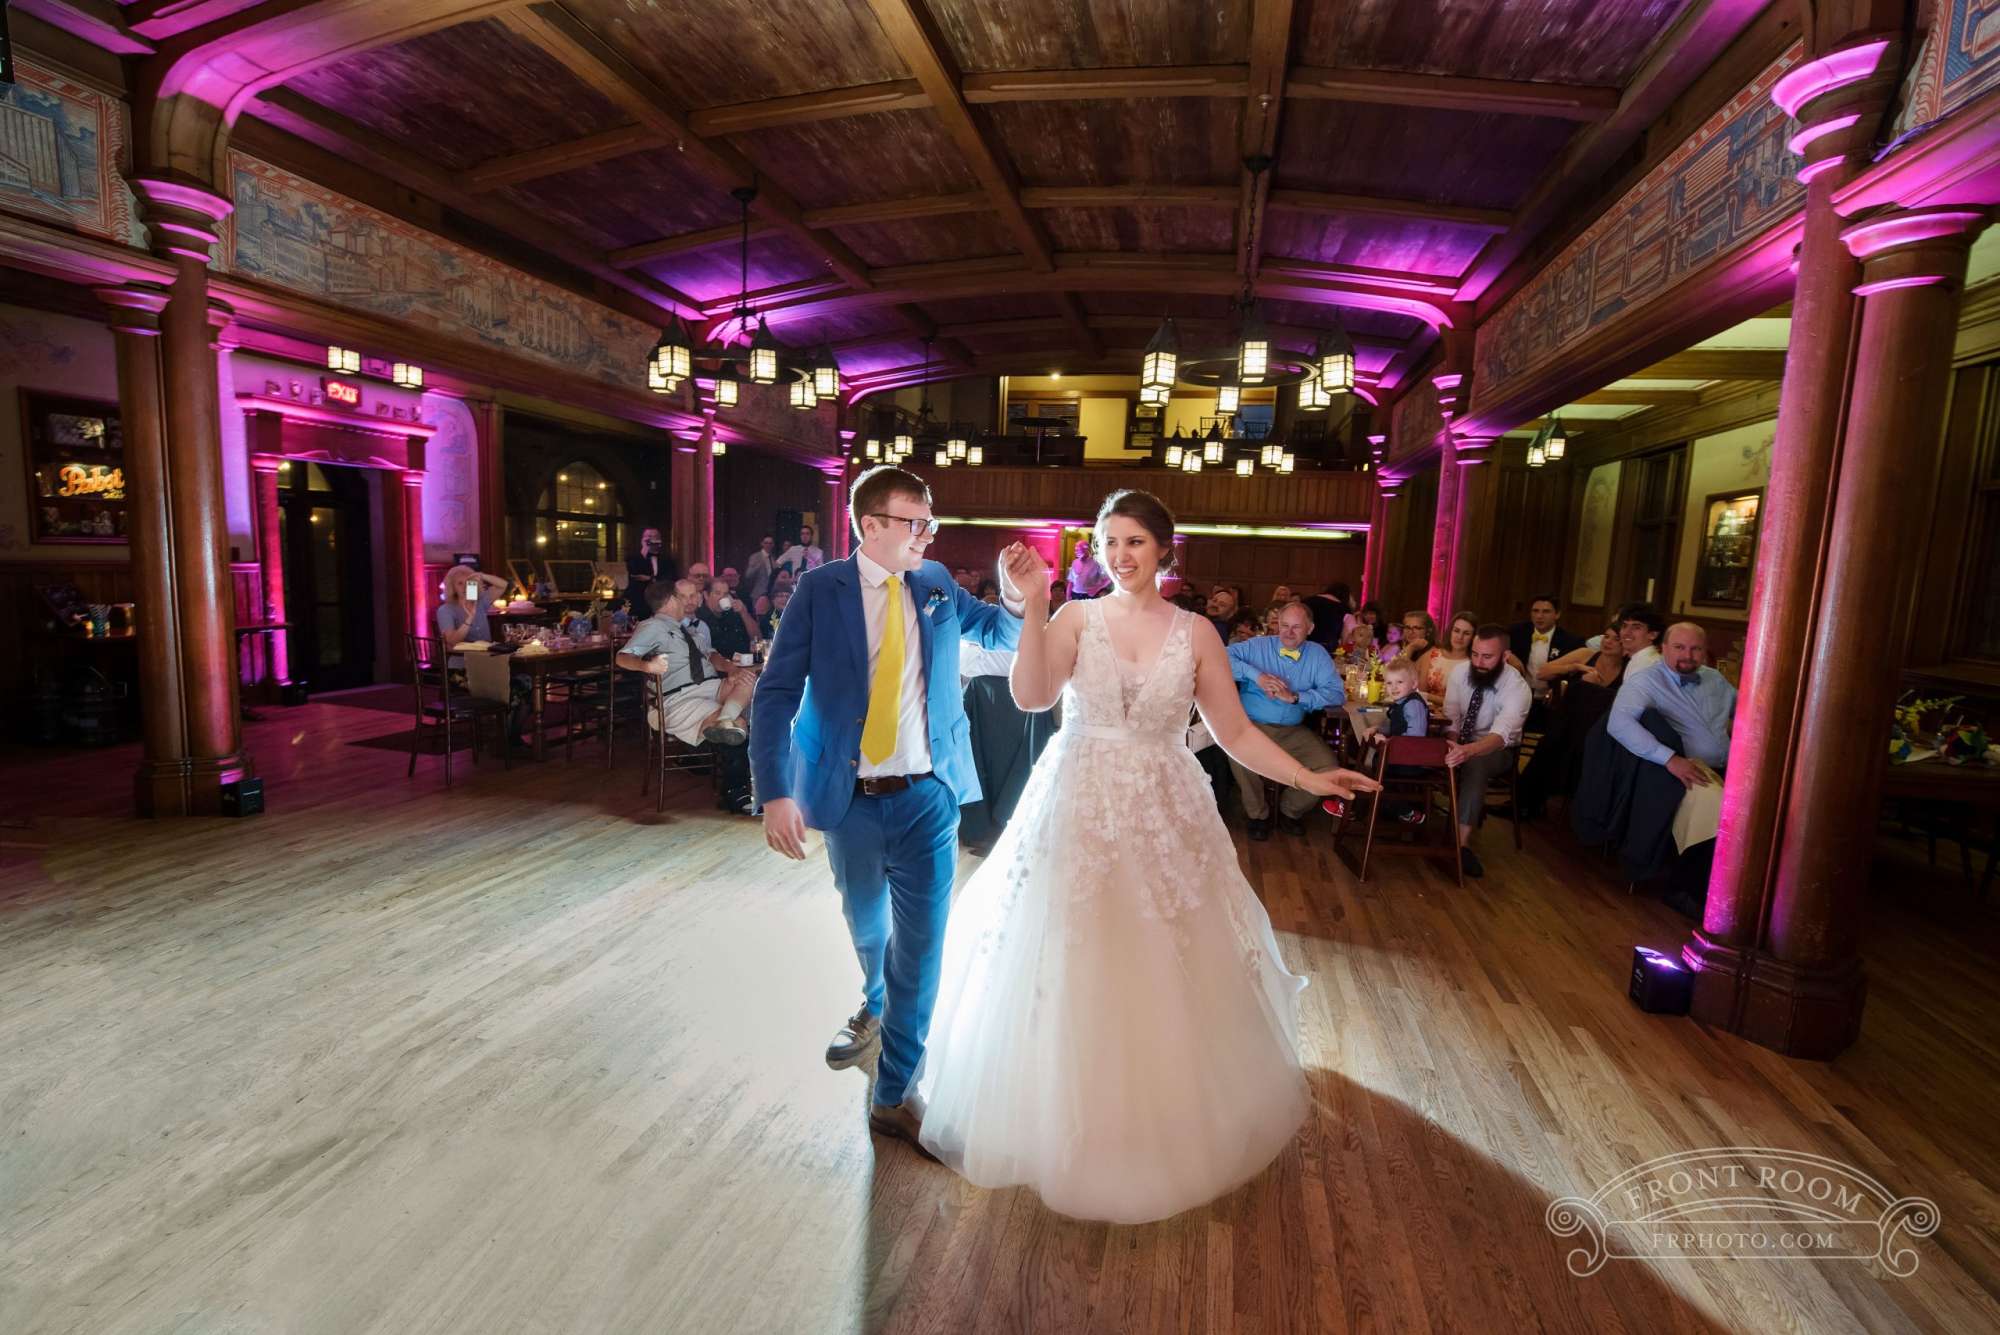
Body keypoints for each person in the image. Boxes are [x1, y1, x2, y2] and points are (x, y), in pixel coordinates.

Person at [914, 490, 1378, 1223]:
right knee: (1070, 945)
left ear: (1165, 549)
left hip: (1165, 801)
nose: (1120, 555)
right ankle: (1059, 1105)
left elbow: (1232, 731)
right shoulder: (1075, 616)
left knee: (1164, 948)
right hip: (1077, 796)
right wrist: (1034, 604)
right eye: (1108, 542)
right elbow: (1033, 696)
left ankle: (1160, 1107)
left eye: (1134, 541)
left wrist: (1311, 776)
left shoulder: (1196, 632)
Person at [750, 466, 1027, 1160]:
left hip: (928, 793)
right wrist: (776, 790)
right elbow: (777, 692)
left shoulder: (934, 584)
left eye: (930, 523)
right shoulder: (819, 591)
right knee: (867, 923)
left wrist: (1020, 599)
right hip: (847, 798)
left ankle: (896, 1090)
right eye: (916, 522)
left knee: (923, 944)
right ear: (870, 525)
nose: (928, 535)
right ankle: (874, 1002)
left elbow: (999, 631)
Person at [618, 579, 759, 810]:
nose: (692, 601)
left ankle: (726, 720)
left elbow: (711, 655)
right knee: (738, 724)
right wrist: (647, 666)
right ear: (672, 599)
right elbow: (622, 657)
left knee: (748, 679)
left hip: (709, 687)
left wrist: (731, 669)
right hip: (680, 697)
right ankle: (736, 794)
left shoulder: (687, 628)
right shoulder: (653, 626)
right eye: (685, 597)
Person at [1224, 600, 1344, 840]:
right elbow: (1219, 657)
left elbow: (1336, 693)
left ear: (1310, 629)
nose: (1288, 632)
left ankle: (1290, 809)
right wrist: (1256, 676)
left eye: (1296, 627)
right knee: (1236, 753)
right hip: (1252, 727)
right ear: (1277, 624)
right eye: (1284, 625)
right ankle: (1258, 815)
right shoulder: (1257, 646)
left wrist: (1297, 697)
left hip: (1292, 730)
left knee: (1329, 767)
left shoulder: (1317, 655)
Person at [1442, 625, 1532, 879]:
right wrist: (1453, 744)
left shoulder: (1517, 687)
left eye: (1487, 657)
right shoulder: (1460, 672)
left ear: (1505, 656)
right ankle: (1407, 817)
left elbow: (1501, 735)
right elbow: (1452, 717)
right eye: (1474, 654)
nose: (1478, 662)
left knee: (1475, 765)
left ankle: (1461, 845)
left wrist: (1467, 751)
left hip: (1497, 749)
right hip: (1460, 740)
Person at [1607, 622, 1736, 785]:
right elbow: (1618, 723)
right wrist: (1669, 759)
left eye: (1696, 648)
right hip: (1681, 779)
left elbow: (1744, 712)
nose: (1688, 655)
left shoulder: (1714, 678)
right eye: (1679, 647)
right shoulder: (1645, 681)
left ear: (1705, 651)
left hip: (1728, 773)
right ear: (1664, 648)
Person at [435, 563, 533, 745]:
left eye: (468, 583)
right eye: (459, 584)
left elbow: (503, 585)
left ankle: (510, 737)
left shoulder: (479, 602)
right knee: (514, 691)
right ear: (452, 587)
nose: (465, 587)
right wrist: (469, 618)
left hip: (488, 666)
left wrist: (480, 574)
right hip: (461, 671)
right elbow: (452, 642)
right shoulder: (446, 610)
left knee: (528, 684)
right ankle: (502, 739)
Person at [1507, 594, 1583, 709]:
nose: (1539, 616)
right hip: (1519, 696)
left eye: (1546, 612)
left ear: (1557, 614)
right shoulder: (1516, 632)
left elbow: (1576, 673)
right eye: (1535, 611)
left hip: (1551, 701)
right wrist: (1509, 655)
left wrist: (1561, 687)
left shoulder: (1570, 641)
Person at [1415, 611, 1476, 706]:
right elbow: (1417, 688)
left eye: (1466, 633)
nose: (1460, 637)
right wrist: (1410, 648)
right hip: (1424, 710)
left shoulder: (1474, 664)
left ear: (1473, 637)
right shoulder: (1433, 654)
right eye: (1456, 631)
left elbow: (1462, 704)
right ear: (1450, 631)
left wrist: (1428, 696)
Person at [695, 577, 759, 660]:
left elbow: (757, 638)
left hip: (747, 663)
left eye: (725, 594)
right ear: (706, 595)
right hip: (723, 669)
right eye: (718, 593)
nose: (722, 598)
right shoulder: (700, 618)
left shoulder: (733, 613)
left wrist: (744, 613)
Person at [624, 528, 677, 620]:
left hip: (660, 600)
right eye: (648, 537)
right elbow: (633, 573)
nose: (652, 540)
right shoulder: (634, 558)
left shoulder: (667, 560)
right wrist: (644, 550)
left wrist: (651, 579)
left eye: (655, 537)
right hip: (639, 601)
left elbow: (670, 578)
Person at [1615, 602, 1666, 678]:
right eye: (1624, 626)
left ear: (1653, 634)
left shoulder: (1649, 666)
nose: (1627, 632)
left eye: (1636, 627)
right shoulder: (1638, 659)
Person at [1304, 583, 1354, 652]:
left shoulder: (1307, 601)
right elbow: (1346, 639)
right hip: (1328, 650)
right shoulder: (1344, 609)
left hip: (1304, 646)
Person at [741, 535, 777, 606]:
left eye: (770, 543)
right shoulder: (755, 557)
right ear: (762, 544)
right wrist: (758, 566)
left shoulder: (773, 557)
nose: (768, 545)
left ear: (773, 545)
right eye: (766, 543)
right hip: (758, 593)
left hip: (771, 593)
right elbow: (748, 575)